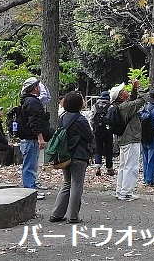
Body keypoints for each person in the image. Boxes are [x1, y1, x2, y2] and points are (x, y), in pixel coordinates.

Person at [49, 92, 94, 224]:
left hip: (65, 155)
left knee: (67, 183)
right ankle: (73, 216)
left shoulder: (62, 117)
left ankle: (56, 214)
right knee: (76, 184)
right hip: (79, 155)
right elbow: (89, 136)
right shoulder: (81, 120)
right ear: (78, 104)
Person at [113, 80, 146, 201]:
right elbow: (141, 100)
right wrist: (140, 88)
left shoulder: (121, 106)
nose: (126, 91)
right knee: (131, 166)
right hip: (131, 138)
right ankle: (126, 192)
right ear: (121, 96)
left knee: (123, 166)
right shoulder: (126, 107)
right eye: (123, 91)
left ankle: (120, 190)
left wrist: (134, 89)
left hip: (124, 139)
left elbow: (132, 99)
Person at [18, 77, 50, 199]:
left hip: (28, 139)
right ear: (34, 88)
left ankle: (31, 186)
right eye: (37, 85)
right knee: (30, 166)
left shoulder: (27, 101)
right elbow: (34, 122)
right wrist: (40, 138)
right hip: (30, 139)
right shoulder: (32, 102)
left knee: (31, 164)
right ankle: (30, 191)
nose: (39, 88)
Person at [90, 91, 115, 176]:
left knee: (98, 148)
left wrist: (94, 127)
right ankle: (109, 168)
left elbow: (91, 118)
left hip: (97, 131)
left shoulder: (95, 106)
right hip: (108, 131)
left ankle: (98, 167)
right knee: (109, 149)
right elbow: (112, 119)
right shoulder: (111, 106)